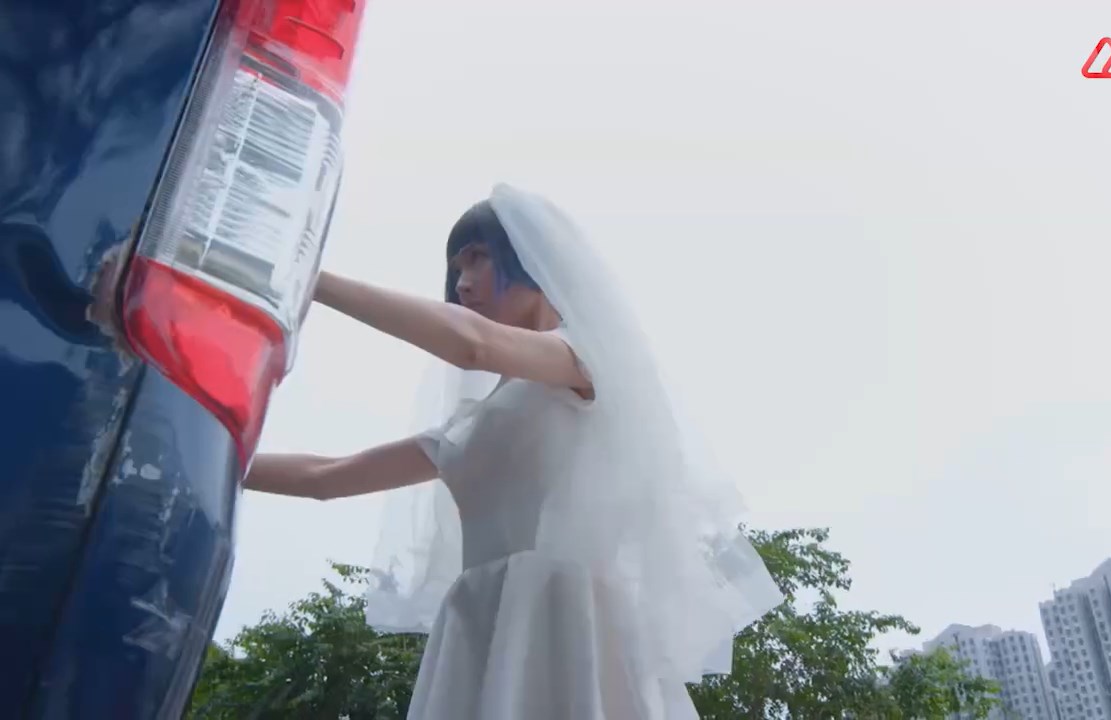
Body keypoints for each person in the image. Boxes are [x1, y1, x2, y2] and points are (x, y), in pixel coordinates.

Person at [245, 184, 783, 719]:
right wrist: (220, 453)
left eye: (478, 258)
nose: (462, 282)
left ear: (531, 261)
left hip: (567, 623)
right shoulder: (471, 426)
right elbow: (325, 476)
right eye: (456, 268)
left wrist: (312, 279)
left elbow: (472, 344)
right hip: (482, 627)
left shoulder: (583, 360)